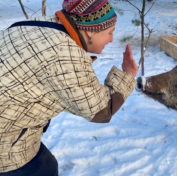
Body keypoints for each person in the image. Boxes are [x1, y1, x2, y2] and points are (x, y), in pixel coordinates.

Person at [0, 0, 138, 175]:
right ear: (90, 30)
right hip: (6, 147)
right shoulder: (64, 56)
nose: (111, 39)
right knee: (44, 169)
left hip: (10, 124)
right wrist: (127, 75)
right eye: (109, 32)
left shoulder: (45, 24)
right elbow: (101, 110)